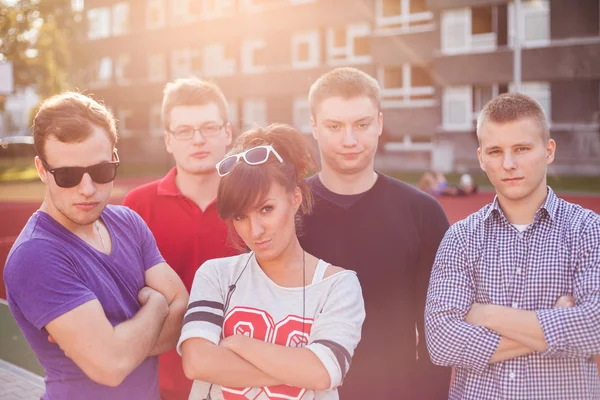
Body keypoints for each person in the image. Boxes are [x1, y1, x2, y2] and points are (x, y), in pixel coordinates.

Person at [3, 92, 189, 400]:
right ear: (41, 169)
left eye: (102, 171)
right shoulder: (36, 255)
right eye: (67, 175)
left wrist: (124, 343)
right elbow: (111, 366)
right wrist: (156, 305)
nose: (88, 189)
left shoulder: (128, 222)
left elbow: (181, 307)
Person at [425, 93, 600, 399]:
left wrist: (486, 315)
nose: (509, 164)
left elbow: (593, 328)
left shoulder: (589, 231)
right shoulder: (460, 239)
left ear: (548, 151)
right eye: (495, 151)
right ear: (481, 158)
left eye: (521, 148)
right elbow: (441, 341)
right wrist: (554, 322)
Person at [178, 123, 365, 399]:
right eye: (241, 216)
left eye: (266, 209)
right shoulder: (217, 275)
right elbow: (196, 362)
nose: (255, 231)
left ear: (295, 198)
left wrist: (238, 343)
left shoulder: (338, 285)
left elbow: (323, 373)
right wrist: (299, 366)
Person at [298, 67, 452, 399]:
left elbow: (436, 331)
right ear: (313, 126)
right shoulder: (289, 211)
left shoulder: (423, 213)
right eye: (334, 126)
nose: (349, 140)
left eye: (362, 124)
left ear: (379, 123)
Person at [122, 77, 239, 400]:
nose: (198, 140)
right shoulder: (137, 207)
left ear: (228, 133)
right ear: (168, 140)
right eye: (184, 131)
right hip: (161, 383)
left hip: (243, 383)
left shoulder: (253, 202)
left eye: (209, 128)